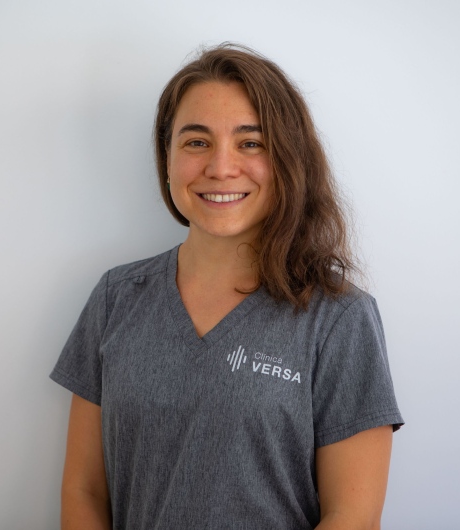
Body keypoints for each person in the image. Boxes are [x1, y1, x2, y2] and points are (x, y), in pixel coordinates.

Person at [50, 43, 403, 530]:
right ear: (167, 158)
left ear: (288, 159)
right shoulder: (116, 297)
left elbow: (353, 517)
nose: (220, 167)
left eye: (250, 143)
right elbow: (84, 490)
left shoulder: (338, 318)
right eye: (197, 142)